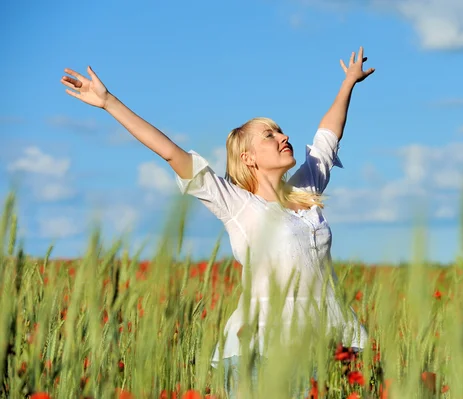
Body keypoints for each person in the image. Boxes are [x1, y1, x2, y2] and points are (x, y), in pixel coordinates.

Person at [61, 46, 375, 398]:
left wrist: (348, 82)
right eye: (269, 136)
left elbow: (327, 138)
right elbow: (170, 152)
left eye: (281, 132)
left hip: (329, 340)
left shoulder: (306, 189)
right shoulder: (236, 203)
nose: (284, 138)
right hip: (263, 350)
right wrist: (109, 102)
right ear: (247, 157)